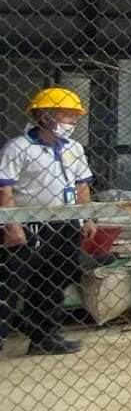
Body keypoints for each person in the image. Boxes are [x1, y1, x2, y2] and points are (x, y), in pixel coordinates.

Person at [0, 87, 96, 356]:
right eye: (66, 114)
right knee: (11, 283)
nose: (73, 121)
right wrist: (12, 225)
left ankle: (44, 336)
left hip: (64, 224)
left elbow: (81, 186)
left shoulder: (74, 148)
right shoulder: (19, 148)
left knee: (55, 280)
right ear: (44, 115)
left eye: (75, 115)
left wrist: (87, 218)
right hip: (30, 225)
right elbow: (4, 190)